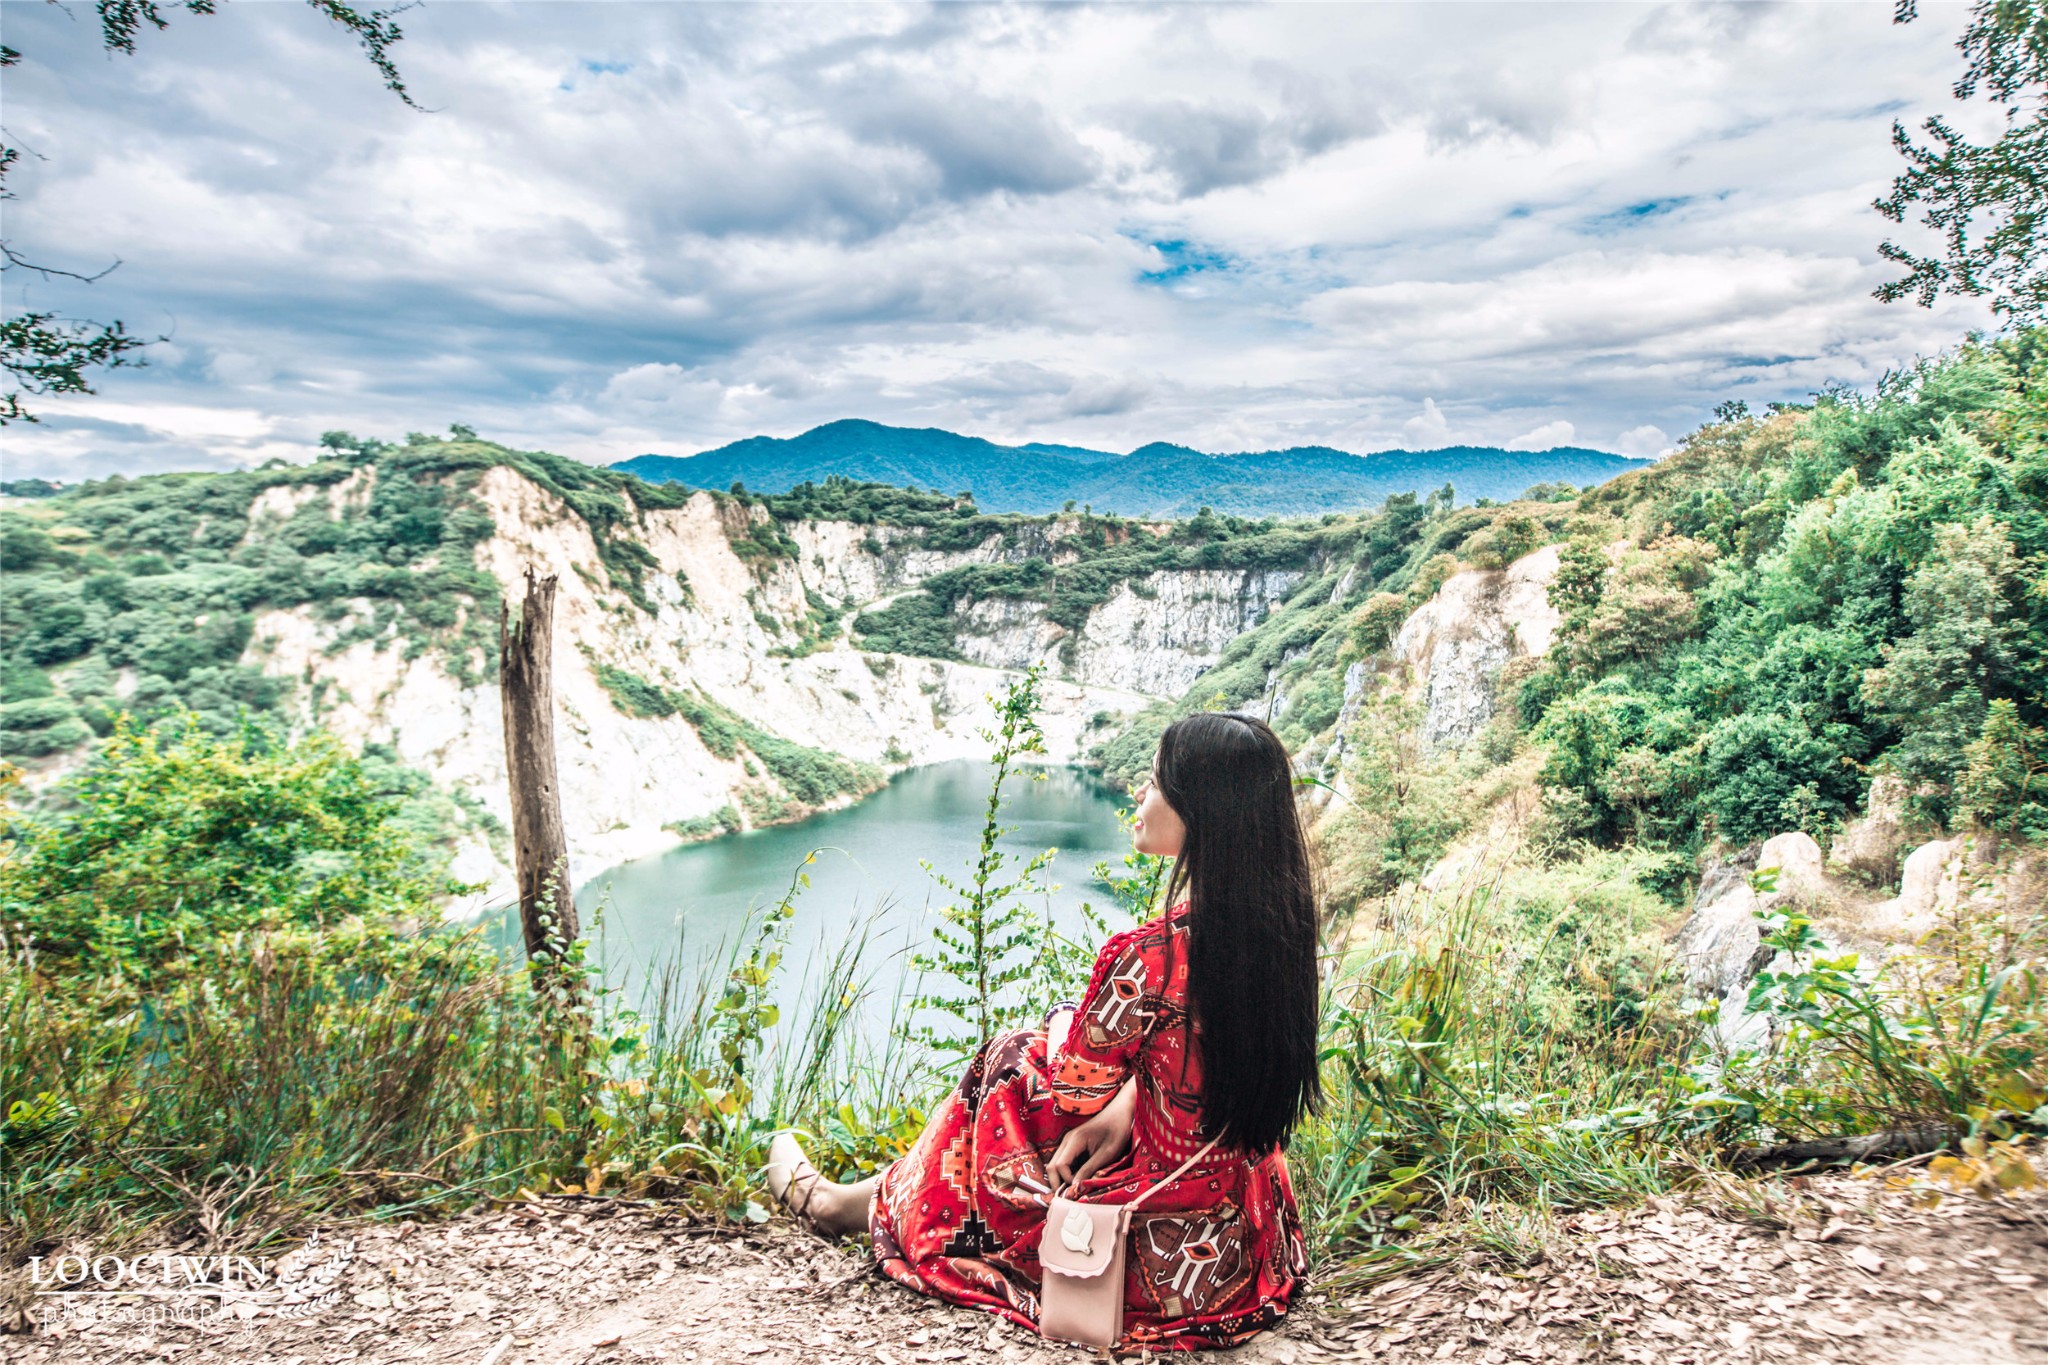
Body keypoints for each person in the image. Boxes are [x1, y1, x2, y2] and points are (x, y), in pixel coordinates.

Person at [764, 712, 1320, 1352]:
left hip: (1149, 1259)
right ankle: (864, 1197)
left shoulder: (1150, 957)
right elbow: (1199, 1062)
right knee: (1042, 1076)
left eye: (1156, 781)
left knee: (1007, 1059)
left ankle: (847, 1207)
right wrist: (1131, 1103)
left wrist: (1063, 1025)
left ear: (1202, 810)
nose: (1140, 795)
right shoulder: (1280, 929)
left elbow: (1072, 1094)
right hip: (1243, 1251)